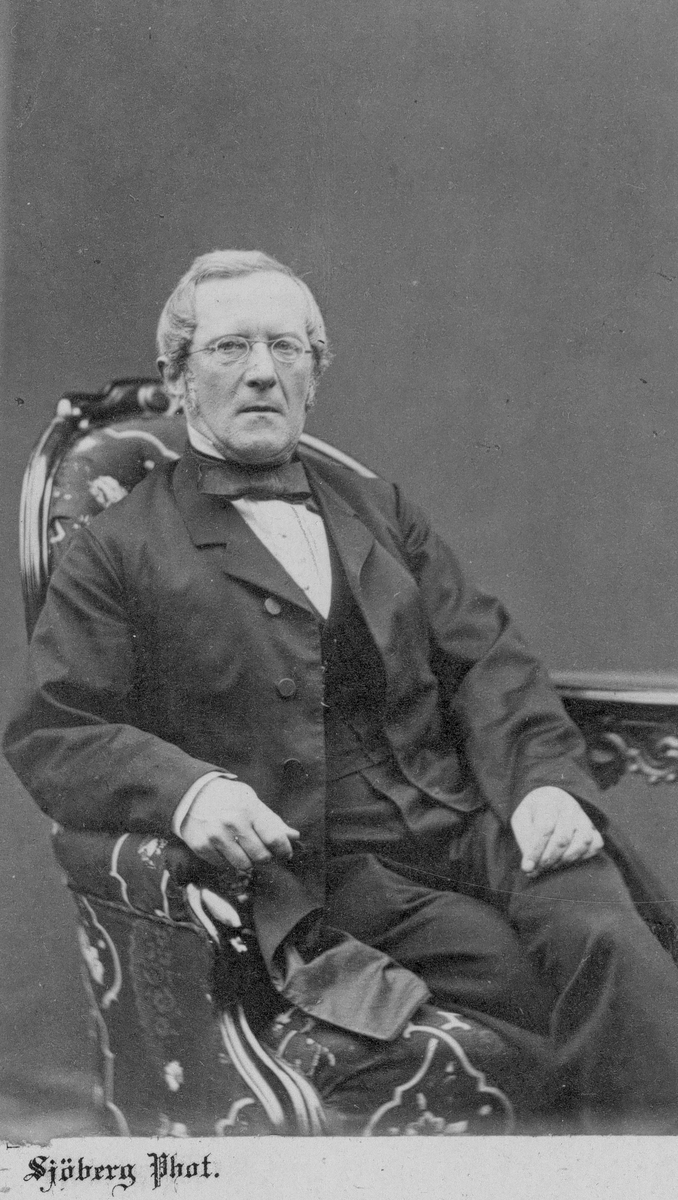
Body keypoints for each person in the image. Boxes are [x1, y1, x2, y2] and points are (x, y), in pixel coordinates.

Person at [6, 249, 678, 1133]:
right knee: (552, 985)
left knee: (613, 939)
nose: (261, 371)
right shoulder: (117, 550)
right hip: (329, 868)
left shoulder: (376, 507)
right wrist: (188, 792)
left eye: (286, 348)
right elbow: (56, 729)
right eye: (230, 348)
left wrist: (542, 784)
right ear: (178, 378)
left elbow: (487, 659)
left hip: (471, 820)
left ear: (314, 377)